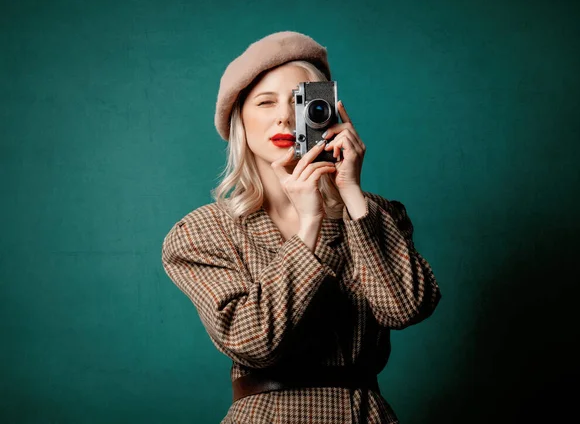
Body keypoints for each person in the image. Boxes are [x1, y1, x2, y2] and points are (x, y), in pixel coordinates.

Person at [161, 31, 442, 424]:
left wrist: (351, 193)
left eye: (299, 102)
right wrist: (308, 224)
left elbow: (406, 308)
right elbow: (254, 341)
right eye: (264, 102)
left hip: (363, 414)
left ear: (326, 110)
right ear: (239, 118)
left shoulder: (374, 214)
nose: (283, 117)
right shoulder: (203, 231)